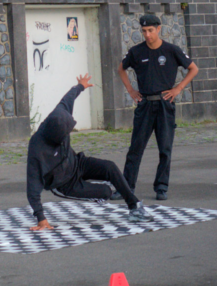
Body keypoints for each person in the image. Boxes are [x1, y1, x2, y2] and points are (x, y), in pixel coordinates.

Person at [26, 74, 152, 230]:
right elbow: (32, 189)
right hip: (66, 184)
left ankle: (134, 207)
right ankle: (103, 189)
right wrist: (41, 219)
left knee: (110, 167)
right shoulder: (37, 150)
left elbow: (68, 98)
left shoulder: (60, 112)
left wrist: (81, 86)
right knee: (106, 192)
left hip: (77, 163)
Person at [118, 14, 199, 201]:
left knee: (165, 148)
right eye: (144, 31)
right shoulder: (136, 52)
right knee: (135, 149)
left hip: (165, 104)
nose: (147, 35)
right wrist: (131, 90)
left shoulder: (171, 50)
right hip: (145, 104)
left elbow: (193, 68)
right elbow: (121, 68)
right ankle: (126, 187)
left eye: (151, 31)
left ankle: (161, 187)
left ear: (158, 29)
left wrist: (178, 88)